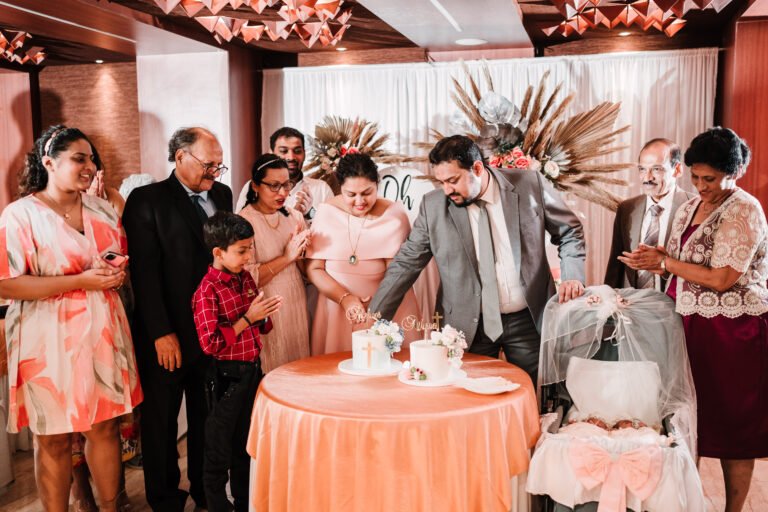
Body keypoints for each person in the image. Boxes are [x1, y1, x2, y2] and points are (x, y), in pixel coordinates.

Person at [619, 127, 768, 512]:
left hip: (732, 334)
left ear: (733, 174)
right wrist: (651, 258)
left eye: (711, 179)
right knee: (688, 423)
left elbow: (722, 277)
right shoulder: (689, 207)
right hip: (688, 327)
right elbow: (678, 262)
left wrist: (667, 263)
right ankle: (689, 504)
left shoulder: (744, 209)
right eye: (696, 177)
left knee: (734, 429)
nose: (701, 186)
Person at [0, 125, 142, 511]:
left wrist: (115, 275)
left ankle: (110, 507)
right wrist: (81, 280)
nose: (89, 166)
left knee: (105, 427)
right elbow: (6, 285)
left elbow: (115, 261)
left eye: (91, 158)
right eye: (79, 158)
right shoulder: (20, 216)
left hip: (102, 330)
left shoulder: (102, 209)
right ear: (48, 162)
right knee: (54, 436)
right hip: (46, 338)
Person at [369, 135, 586, 383]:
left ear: (478, 168)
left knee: (539, 394)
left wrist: (572, 276)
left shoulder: (530, 185)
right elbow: (407, 263)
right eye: (440, 182)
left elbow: (570, 231)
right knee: (467, 399)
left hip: (529, 320)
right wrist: (374, 318)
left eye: (453, 180)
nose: (446, 190)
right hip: (466, 328)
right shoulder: (433, 207)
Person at [122, 127, 233, 511]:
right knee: (162, 422)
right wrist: (161, 333)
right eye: (208, 164)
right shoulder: (146, 200)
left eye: (219, 164)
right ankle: (166, 499)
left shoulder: (222, 194)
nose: (215, 173)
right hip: (168, 330)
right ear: (180, 156)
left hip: (213, 331)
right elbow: (145, 274)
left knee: (208, 418)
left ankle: (207, 492)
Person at [192, 212, 281, 512]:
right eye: (242, 250)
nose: (248, 256)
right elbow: (211, 343)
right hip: (226, 378)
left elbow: (261, 326)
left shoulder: (245, 278)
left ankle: (244, 504)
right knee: (218, 450)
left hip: (253, 371)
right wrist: (248, 318)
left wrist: (263, 314)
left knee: (246, 445)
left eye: (250, 247)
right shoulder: (207, 290)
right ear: (218, 252)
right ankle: (217, 506)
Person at [306, 153, 422, 354]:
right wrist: (345, 299)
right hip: (336, 309)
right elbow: (315, 269)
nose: (359, 201)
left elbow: (396, 275)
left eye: (367, 192)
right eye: (350, 194)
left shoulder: (394, 215)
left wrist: (374, 313)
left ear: (377, 184)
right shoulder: (326, 213)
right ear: (340, 188)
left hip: (387, 308)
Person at [239, 155, 311, 372]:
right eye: (274, 186)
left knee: (300, 367)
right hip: (267, 305)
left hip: (296, 299)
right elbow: (247, 278)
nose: (282, 193)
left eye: (286, 184)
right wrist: (287, 257)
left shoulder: (295, 216)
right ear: (255, 186)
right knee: (274, 370)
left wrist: (303, 254)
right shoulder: (245, 221)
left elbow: (305, 271)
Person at [604, 138, 694, 290]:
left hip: (676, 306)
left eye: (657, 169)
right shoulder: (627, 209)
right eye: (642, 169)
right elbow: (616, 266)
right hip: (631, 304)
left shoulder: (695, 207)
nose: (647, 178)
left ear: (677, 170)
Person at [234, 127, 333, 221]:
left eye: (297, 151)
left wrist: (310, 213)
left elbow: (333, 230)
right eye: (283, 151)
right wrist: (292, 217)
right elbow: (239, 229)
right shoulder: (256, 187)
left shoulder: (322, 189)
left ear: (304, 153)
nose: (291, 157)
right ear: (271, 153)